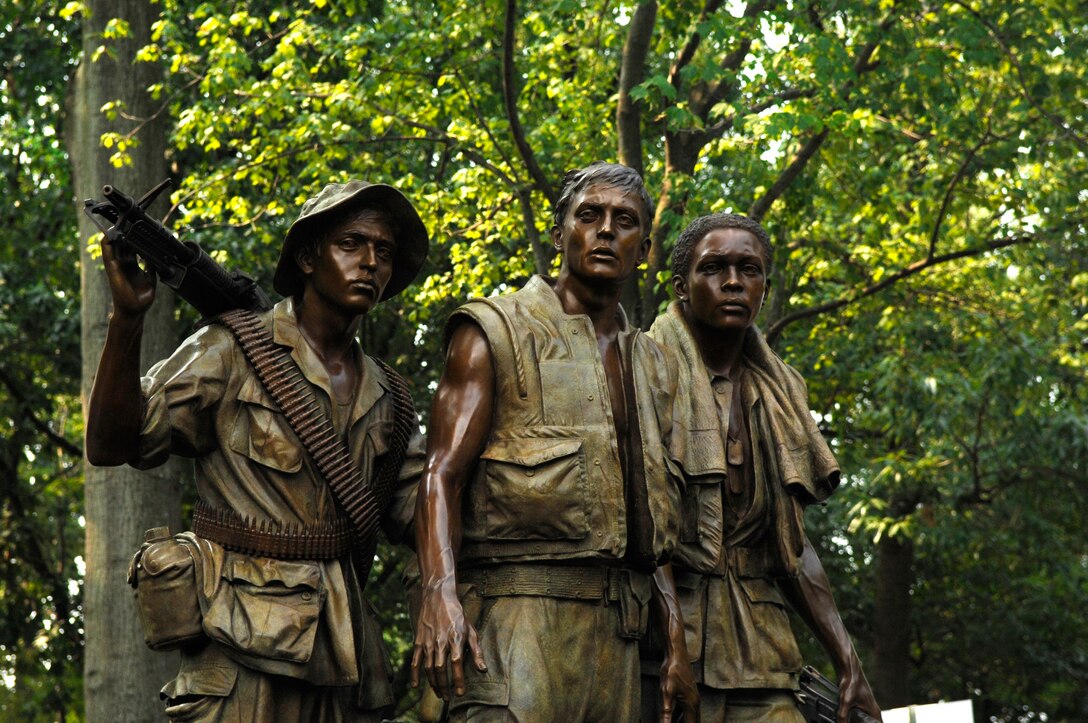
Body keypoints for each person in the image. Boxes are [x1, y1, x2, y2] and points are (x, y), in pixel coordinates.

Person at [85, 180, 429, 721]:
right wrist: (126, 320)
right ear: (308, 257)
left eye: (383, 252)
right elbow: (110, 445)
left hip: (342, 659)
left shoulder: (391, 399)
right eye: (351, 244)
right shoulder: (230, 350)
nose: (369, 262)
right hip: (238, 648)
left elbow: (428, 516)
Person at [411, 162, 698, 722]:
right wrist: (438, 593)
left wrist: (676, 642)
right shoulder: (494, 330)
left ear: (644, 250)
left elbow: (650, 516)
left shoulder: (654, 363)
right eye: (589, 215)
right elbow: (441, 473)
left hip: (617, 637)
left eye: (625, 221)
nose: (607, 230)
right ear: (558, 232)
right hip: (514, 619)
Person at [643, 213, 883, 723]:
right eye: (714, 268)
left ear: (764, 287)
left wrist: (848, 660)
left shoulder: (781, 390)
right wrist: (674, 646)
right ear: (681, 288)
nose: (733, 282)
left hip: (761, 647)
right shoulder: (643, 368)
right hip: (660, 649)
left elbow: (791, 543)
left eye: (748, 269)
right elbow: (644, 519)